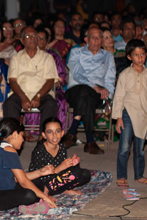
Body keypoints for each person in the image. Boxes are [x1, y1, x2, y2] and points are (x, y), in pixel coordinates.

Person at [0, 118, 57, 213]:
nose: (23, 140)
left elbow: (18, 178)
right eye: (22, 136)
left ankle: (32, 203)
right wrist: (44, 197)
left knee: (38, 183)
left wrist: (40, 172)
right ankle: (28, 207)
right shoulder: (9, 150)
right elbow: (23, 181)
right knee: (30, 194)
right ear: (14, 134)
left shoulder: (0, 145)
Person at [63, 27, 116, 155]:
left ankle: (72, 132)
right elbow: (76, 74)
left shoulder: (108, 56)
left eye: (99, 37)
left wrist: (109, 97)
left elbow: (110, 79)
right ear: (86, 39)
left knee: (87, 95)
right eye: (93, 37)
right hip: (75, 91)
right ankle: (90, 140)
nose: (97, 40)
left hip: (97, 95)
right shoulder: (76, 52)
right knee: (85, 91)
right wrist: (94, 86)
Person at [3, 26, 59, 137]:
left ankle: (43, 140)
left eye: (34, 35)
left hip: (42, 94)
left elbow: (50, 81)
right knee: (9, 104)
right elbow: (13, 81)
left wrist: (38, 96)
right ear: (22, 40)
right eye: (28, 36)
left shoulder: (47, 57)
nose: (32, 38)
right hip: (20, 93)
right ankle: (13, 138)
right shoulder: (16, 58)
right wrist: (23, 97)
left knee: (51, 104)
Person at [112, 39, 147, 187]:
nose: (140, 58)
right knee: (124, 147)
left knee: (139, 148)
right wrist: (118, 117)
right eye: (136, 55)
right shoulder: (125, 74)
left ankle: (139, 175)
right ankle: (122, 175)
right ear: (129, 57)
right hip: (127, 113)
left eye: (143, 54)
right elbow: (118, 96)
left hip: (143, 115)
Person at [29, 118, 92, 195]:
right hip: (41, 184)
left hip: (56, 180)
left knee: (85, 174)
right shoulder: (39, 150)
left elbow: (64, 172)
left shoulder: (62, 147)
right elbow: (39, 176)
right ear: (44, 135)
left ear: (62, 133)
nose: (54, 135)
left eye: (57, 131)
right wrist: (59, 168)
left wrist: (72, 163)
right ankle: (49, 192)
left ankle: (63, 189)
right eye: (50, 132)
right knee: (75, 172)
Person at [23, 29, 68, 133]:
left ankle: (54, 130)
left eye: (44, 39)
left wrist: (53, 85)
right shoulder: (27, 55)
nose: (41, 41)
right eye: (39, 38)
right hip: (31, 88)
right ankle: (32, 130)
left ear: (47, 41)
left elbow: (61, 76)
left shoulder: (53, 55)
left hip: (51, 88)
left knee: (61, 100)